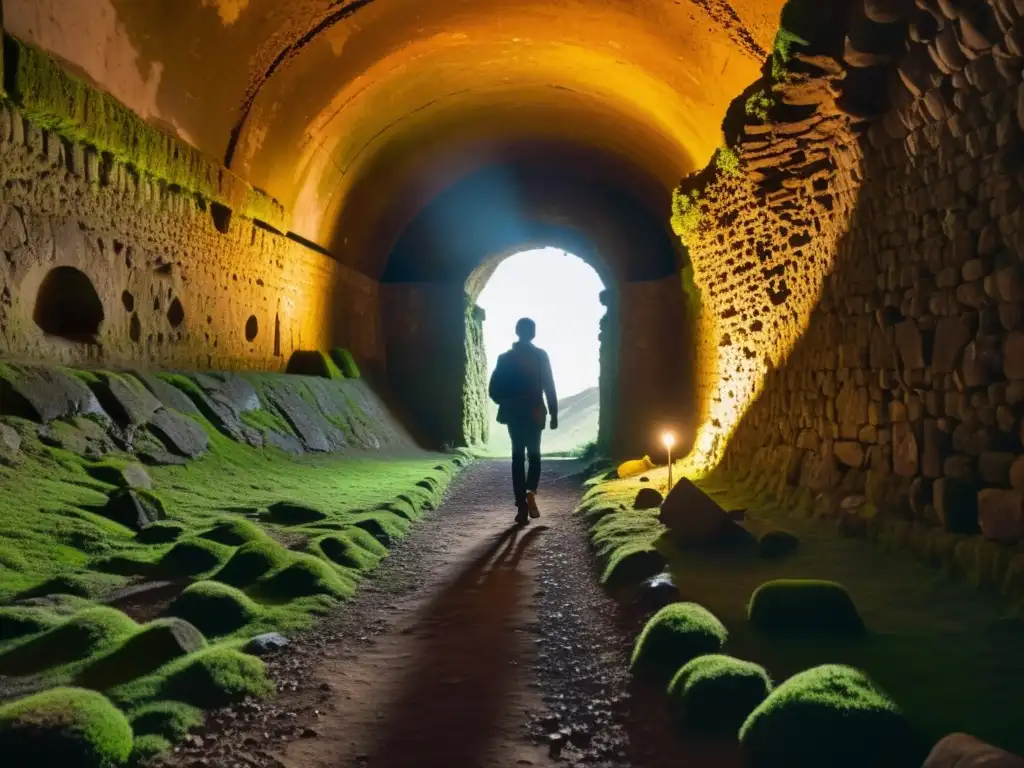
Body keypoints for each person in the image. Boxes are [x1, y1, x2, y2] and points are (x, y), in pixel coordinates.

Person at [488, 317, 558, 526]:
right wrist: (554, 413)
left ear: (517, 332)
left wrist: (510, 401)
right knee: (534, 454)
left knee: (517, 457)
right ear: (533, 333)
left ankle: (521, 506)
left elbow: (494, 390)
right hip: (535, 411)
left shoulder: (505, 358)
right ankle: (530, 490)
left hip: (514, 413)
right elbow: (549, 385)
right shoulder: (540, 356)